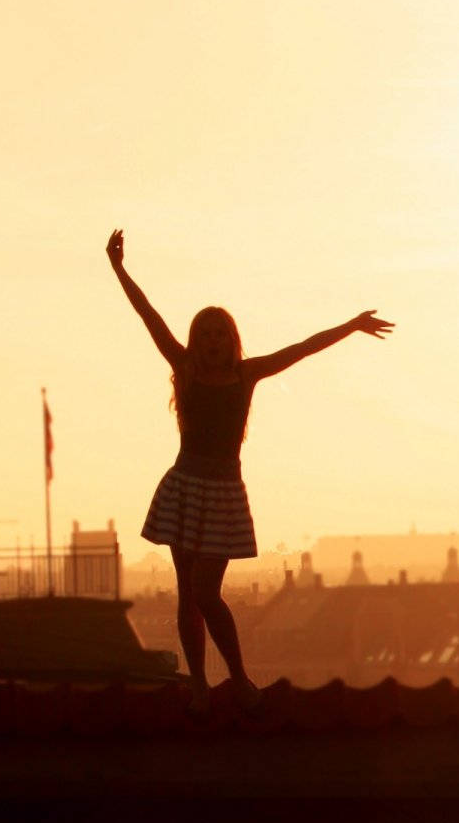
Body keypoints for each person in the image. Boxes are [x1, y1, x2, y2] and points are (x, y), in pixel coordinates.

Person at [106, 228, 393, 714]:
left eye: (222, 333)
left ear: (232, 340)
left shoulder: (247, 374)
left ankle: (237, 676)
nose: (214, 340)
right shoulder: (183, 365)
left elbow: (303, 348)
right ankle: (199, 684)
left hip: (221, 491)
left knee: (204, 591)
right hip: (184, 485)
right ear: (197, 341)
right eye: (206, 333)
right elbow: (147, 315)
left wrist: (351, 325)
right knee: (186, 596)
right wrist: (118, 268)